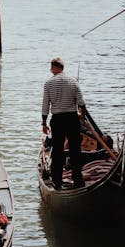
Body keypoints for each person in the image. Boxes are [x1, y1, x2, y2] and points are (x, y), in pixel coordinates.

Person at [41, 57, 85, 190]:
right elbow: (81, 103)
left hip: (57, 120)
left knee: (58, 151)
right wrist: (81, 115)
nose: (50, 70)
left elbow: (45, 105)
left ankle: (57, 182)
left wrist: (44, 122)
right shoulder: (73, 81)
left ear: (55, 67)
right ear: (62, 67)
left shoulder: (48, 83)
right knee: (75, 151)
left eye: (51, 67)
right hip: (72, 119)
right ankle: (78, 180)